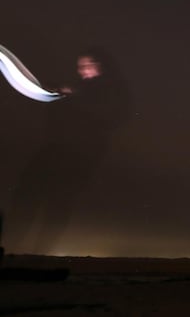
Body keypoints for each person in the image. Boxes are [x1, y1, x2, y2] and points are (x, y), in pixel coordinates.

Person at [8, 47, 129, 255]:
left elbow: (111, 113)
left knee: (58, 203)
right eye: (80, 66)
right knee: (29, 195)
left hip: (80, 157)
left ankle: (38, 252)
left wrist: (72, 95)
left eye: (89, 65)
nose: (83, 70)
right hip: (56, 150)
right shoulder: (78, 89)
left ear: (103, 67)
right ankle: (14, 246)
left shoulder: (110, 91)